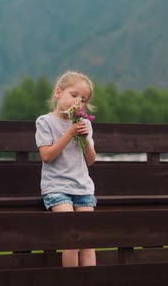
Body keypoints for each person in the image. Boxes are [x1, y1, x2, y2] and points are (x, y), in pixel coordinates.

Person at [34, 71, 97, 267]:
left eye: (83, 99)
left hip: (82, 188)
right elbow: (47, 156)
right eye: (74, 95)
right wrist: (69, 133)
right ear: (59, 92)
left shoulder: (83, 123)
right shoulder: (45, 122)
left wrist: (84, 139)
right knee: (71, 236)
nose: (78, 102)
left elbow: (91, 160)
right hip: (58, 188)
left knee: (88, 241)